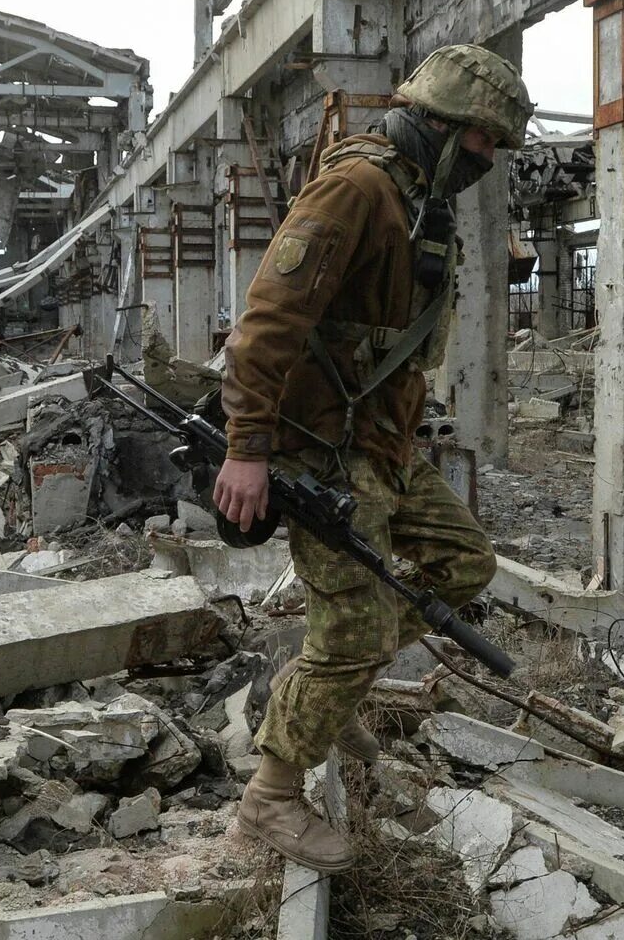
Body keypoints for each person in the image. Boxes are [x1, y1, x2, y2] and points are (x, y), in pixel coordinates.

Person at [214, 44, 532, 872]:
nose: (489, 161)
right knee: (354, 630)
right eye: (483, 142)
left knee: (463, 563)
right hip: (323, 450)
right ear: (441, 124)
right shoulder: (358, 187)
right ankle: (270, 800)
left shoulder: (420, 198)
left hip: (382, 443)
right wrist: (247, 451)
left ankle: (324, 692)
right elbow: (265, 325)